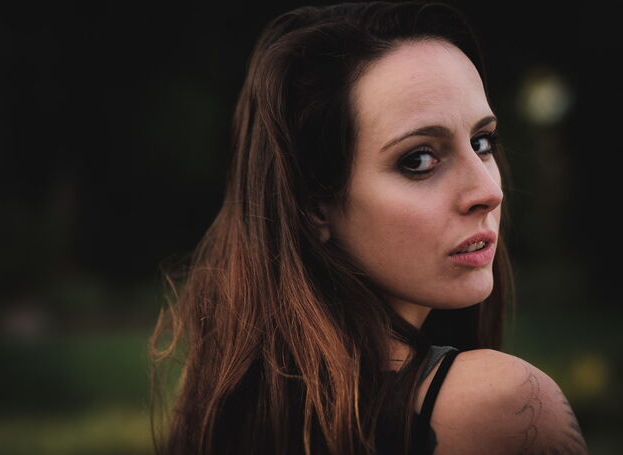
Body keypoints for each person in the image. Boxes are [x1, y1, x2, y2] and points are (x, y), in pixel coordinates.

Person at [149, 1, 589, 454]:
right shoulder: (502, 407)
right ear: (315, 207)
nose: (488, 191)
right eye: (419, 159)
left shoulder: (227, 407)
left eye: (482, 141)